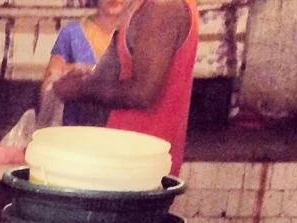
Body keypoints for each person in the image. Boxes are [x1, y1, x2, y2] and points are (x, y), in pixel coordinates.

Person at [42, 0, 198, 174]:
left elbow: (142, 93)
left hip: (137, 166)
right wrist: (89, 77)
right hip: (125, 160)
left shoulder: (162, 6)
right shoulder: (143, 6)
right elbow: (128, 72)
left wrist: (81, 88)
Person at [41, 0, 130, 126]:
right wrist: (68, 75)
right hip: (75, 127)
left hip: (120, 128)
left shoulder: (137, 35)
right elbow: (49, 85)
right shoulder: (71, 33)